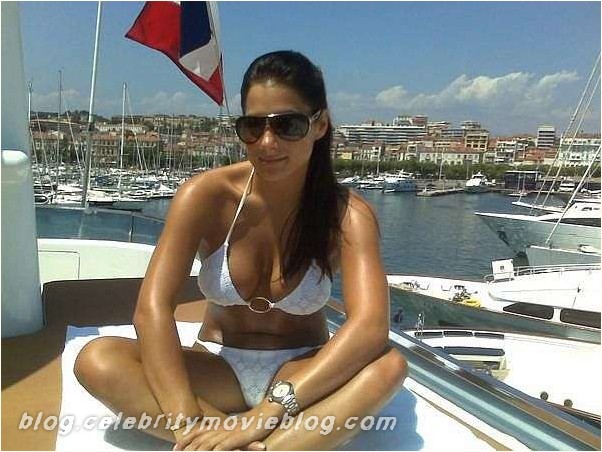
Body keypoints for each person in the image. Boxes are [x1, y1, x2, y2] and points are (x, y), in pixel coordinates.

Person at [74, 50, 407, 451]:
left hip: (303, 373)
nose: (267, 142)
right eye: (252, 126)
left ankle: (252, 443)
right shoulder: (206, 195)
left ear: (319, 125)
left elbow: (370, 326)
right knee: (97, 359)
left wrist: (264, 415)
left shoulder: (348, 214)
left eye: (287, 125)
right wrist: (185, 421)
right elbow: (152, 309)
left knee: (389, 365)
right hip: (218, 367)